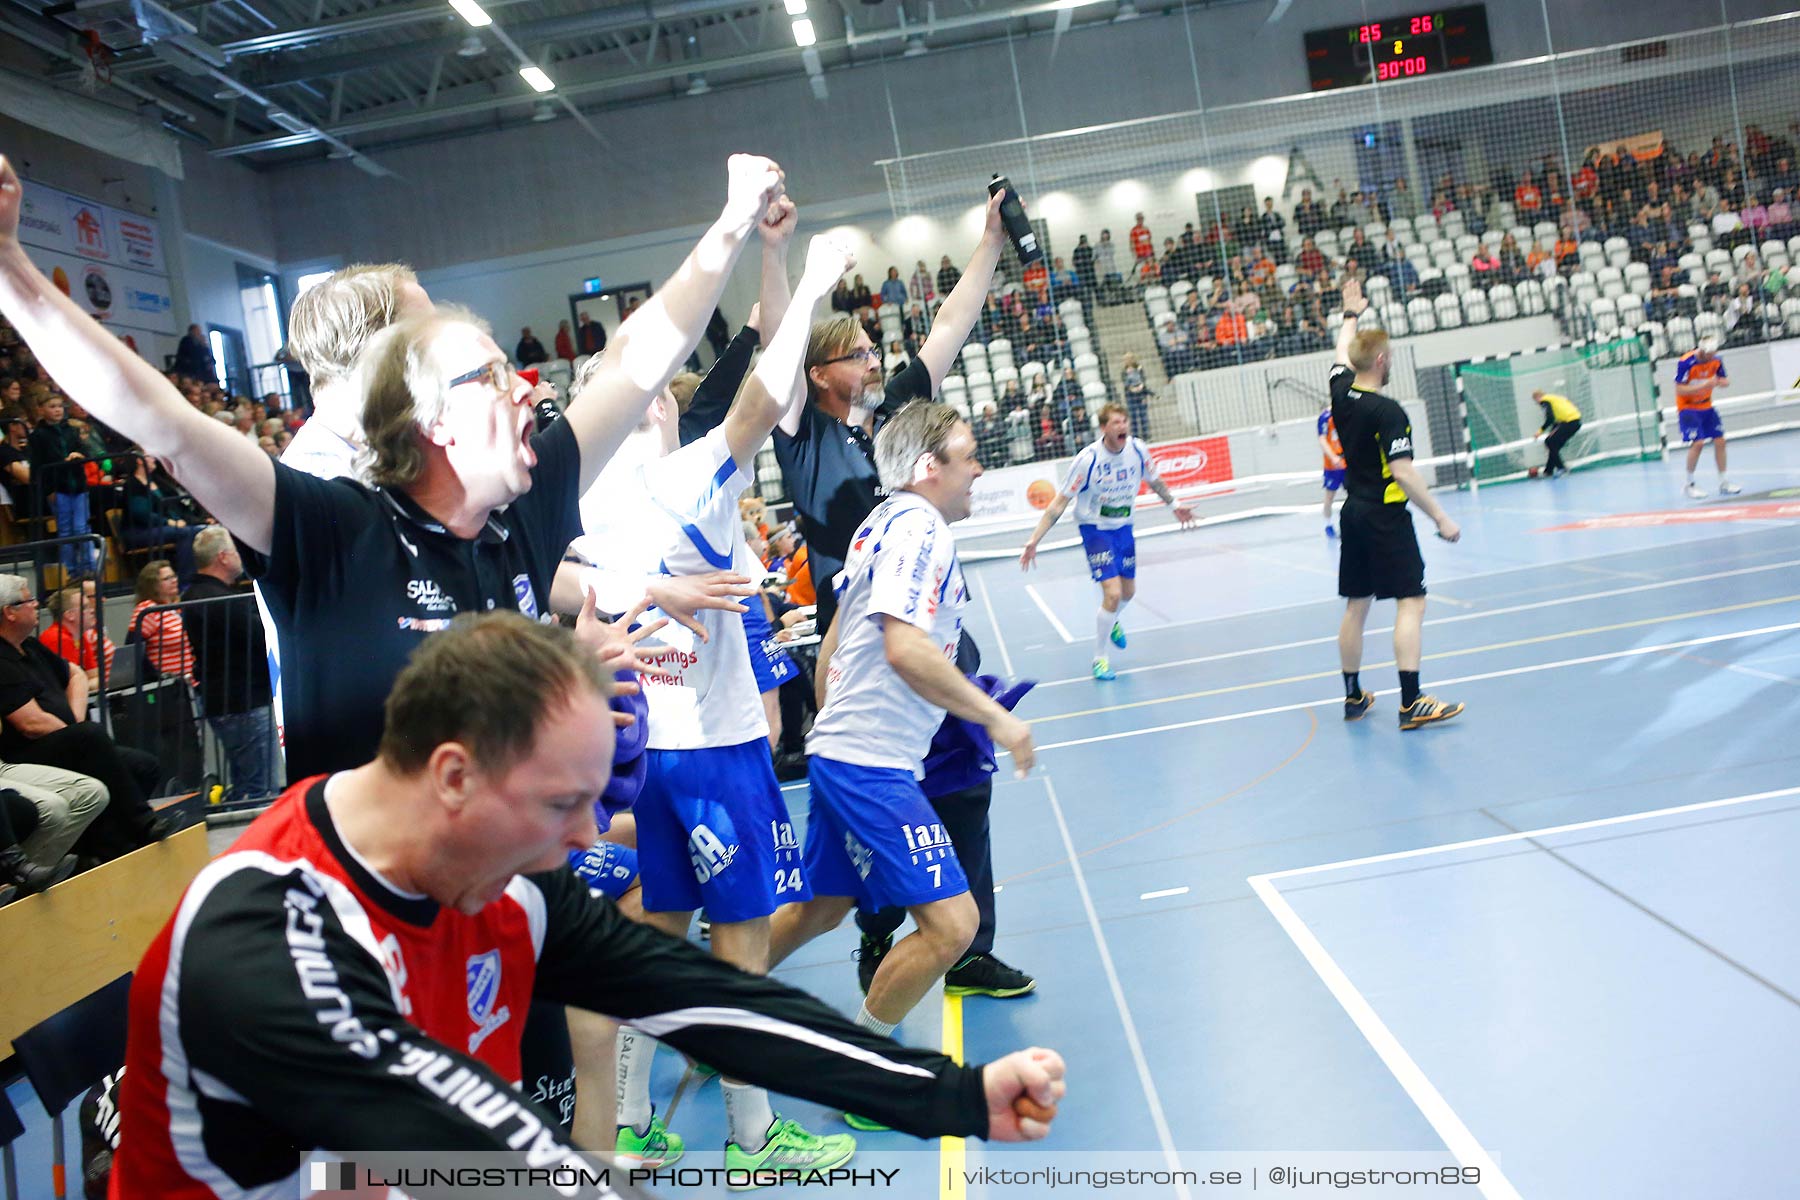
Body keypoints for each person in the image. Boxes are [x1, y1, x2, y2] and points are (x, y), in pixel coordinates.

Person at [107, 613, 1067, 1198]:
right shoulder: (268, 933)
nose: (583, 840)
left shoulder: (507, 887)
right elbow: (477, 1149)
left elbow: (717, 1003)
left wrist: (947, 1096)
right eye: (564, 804)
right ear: (454, 775)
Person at [0, 151, 784, 780]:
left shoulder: (510, 500)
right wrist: (13, 268)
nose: (528, 392)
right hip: (373, 905)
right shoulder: (331, 511)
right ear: (412, 393)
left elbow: (636, 366)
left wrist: (731, 227)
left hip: (503, 876)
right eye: (479, 369)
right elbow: (159, 421)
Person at [574, 228, 857, 1171]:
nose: (663, 397)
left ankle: (626, 1121)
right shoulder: (682, 478)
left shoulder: (590, 510)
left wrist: (774, 260)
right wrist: (812, 275)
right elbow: (769, 392)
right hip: (710, 748)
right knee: (739, 944)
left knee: (654, 936)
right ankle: (751, 1135)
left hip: (649, 747)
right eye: (651, 393)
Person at [769, 403, 1038, 1108]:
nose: (978, 468)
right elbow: (905, 646)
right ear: (930, 467)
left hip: (844, 751)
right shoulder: (921, 528)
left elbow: (831, 647)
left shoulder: (877, 525)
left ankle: (695, 1010)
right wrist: (996, 722)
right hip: (869, 762)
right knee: (954, 925)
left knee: (819, 910)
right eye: (967, 454)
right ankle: (862, 1080)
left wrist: (837, 726)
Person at [774, 189, 1011, 635]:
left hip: (928, 618)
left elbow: (951, 325)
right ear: (820, 375)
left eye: (873, 351)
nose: (875, 362)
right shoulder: (805, 437)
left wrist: (992, 239)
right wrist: (786, 262)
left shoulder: (893, 406)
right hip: (856, 634)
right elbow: (779, 352)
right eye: (858, 356)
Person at [1329, 280, 1463, 731]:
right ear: (1382, 361)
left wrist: (1350, 313)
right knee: (1411, 601)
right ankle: (1412, 701)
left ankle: (1353, 695)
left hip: (1353, 512)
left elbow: (1340, 354)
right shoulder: (1388, 412)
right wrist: (1440, 517)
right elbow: (1403, 472)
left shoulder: (1341, 392)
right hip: (1386, 516)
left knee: (1356, 606)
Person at [0, 574, 175, 859]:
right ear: (9, 612)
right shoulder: (2, 660)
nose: (36, 605)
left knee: (144, 765)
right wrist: (76, 734)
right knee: (91, 740)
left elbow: (76, 675)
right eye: (29, 600)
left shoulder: (30, 647)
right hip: (27, 752)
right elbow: (31, 724)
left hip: (63, 738)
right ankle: (143, 823)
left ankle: (113, 845)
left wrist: (76, 726)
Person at [1018, 404, 1195, 681]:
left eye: (1124, 421)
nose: (1122, 426)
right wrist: (1034, 540)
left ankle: (1111, 621)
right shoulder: (1088, 459)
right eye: (1115, 422)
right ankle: (1099, 659)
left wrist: (1174, 504)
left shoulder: (1138, 450)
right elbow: (1059, 503)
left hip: (1124, 526)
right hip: (1095, 529)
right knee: (1111, 594)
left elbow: (1156, 481)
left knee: (1128, 592)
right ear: (1103, 428)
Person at [183, 527, 276, 806]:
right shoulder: (221, 600)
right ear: (223, 557)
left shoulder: (197, 595)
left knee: (247, 781)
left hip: (228, 700)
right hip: (243, 701)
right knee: (261, 789)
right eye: (236, 551)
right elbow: (260, 637)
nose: (241, 557)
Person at [1674, 337, 1741, 498]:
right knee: (1698, 443)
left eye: (1713, 353)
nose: (1711, 356)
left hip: (1707, 406)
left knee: (1720, 440)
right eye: (1708, 354)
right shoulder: (1686, 362)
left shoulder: (1716, 361)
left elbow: (1725, 380)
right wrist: (1703, 385)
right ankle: (1689, 484)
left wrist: (1719, 382)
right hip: (1688, 407)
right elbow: (1680, 390)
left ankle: (1724, 482)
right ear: (1702, 351)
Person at [129, 559, 194, 684]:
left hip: (189, 682)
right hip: (167, 687)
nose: (174, 580)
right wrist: (158, 677)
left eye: (174, 576)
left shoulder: (178, 607)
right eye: (167, 578)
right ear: (153, 586)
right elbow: (134, 648)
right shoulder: (148, 610)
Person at [1533, 386, 1583, 478]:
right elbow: (1558, 418)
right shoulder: (1555, 398)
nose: (1538, 404)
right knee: (1553, 445)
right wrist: (1552, 431)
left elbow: (1550, 418)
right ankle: (1548, 471)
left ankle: (1561, 468)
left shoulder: (1544, 400)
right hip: (1576, 422)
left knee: (1549, 442)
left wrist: (1540, 431)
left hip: (1569, 422)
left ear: (1537, 398)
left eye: (1536, 401)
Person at [1318, 395, 1345, 536]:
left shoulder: (1348, 413)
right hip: (1332, 465)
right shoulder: (1325, 417)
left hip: (1348, 462)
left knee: (1356, 493)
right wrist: (1333, 457)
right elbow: (1322, 439)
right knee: (1330, 496)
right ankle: (1328, 525)